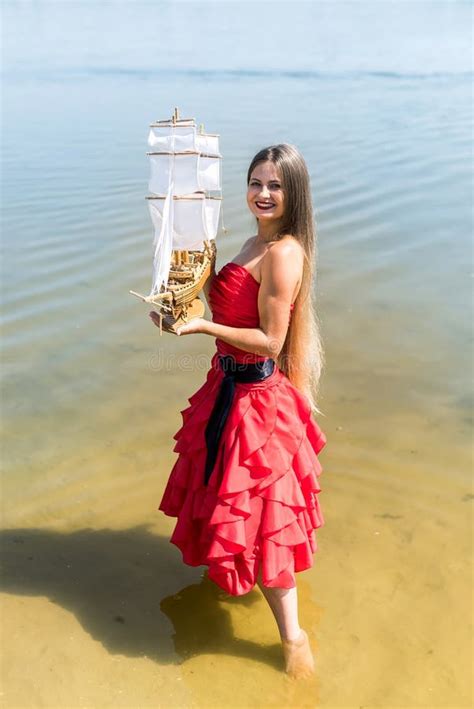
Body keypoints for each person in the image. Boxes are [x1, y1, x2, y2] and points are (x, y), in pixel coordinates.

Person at [149, 143, 327, 679]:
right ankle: (226, 575)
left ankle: (293, 640)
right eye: (256, 182)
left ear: (294, 193)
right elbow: (229, 310)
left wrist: (203, 326)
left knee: (267, 521)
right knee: (224, 505)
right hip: (224, 389)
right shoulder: (251, 240)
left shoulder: (284, 252)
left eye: (276, 185)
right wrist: (180, 312)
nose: (264, 193)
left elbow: (271, 342)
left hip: (257, 404)